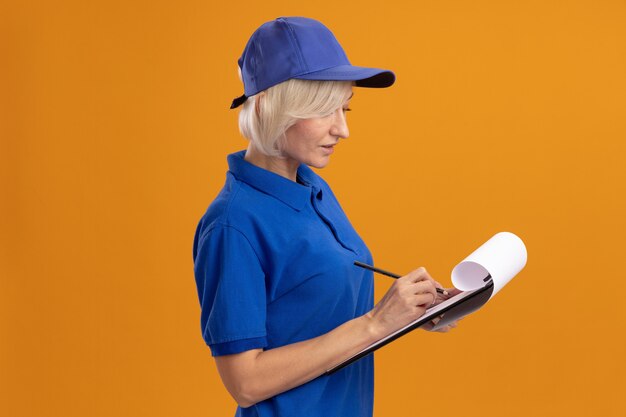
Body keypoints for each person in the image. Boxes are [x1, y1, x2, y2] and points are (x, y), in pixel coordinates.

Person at [192, 16, 459, 417]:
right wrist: (375, 323)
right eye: (325, 111)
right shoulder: (232, 225)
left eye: (345, 108)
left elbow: (322, 309)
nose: (343, 129)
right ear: (273, 108)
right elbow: (245, 383)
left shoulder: (312, 186)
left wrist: (410, 310)